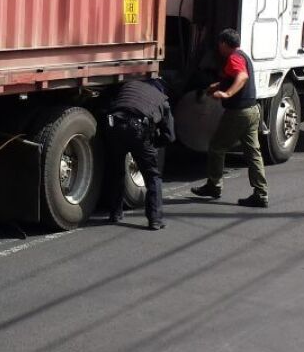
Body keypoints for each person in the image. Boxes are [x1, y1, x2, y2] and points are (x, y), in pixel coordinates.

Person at [190, 28, 268, 208]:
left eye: (220, 44)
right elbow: (234, 77)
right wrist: (216, 86)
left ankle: (214, 186)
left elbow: (242, 76)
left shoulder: (233, 58)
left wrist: (227, 94)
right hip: (252, 110)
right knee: (254, 153)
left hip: (238, 113)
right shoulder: (242, 56)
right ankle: (261, 193)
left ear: (224, 44)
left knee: (217, 147)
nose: (219, 47)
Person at [103, 77, 175, 231]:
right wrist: (154, 143)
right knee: (152, 176)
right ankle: (155, 219)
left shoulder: (130, 85)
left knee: (117, 172)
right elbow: (169, 136)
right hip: (138, 131)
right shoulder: (162, 100)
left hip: (114, 126)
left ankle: (115, 214)